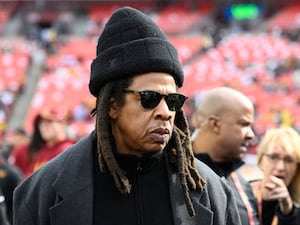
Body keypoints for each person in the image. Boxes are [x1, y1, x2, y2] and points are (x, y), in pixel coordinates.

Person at [13, 7, 242, 225]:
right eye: (149, 98)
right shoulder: (41, 193)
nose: (165, 112)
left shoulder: (215, 193)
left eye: (173, 101)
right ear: (112, 105)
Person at [191, 87, 260, 225]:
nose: (251, 135)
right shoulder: (174, 174)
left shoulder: (241, 184)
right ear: (215, 124)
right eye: (244, 124)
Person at [250, 127, 300, 225]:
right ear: (260, 161)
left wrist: (288, 211)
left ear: (297, 167)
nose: (280, 167)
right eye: (273, 157)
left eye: (289, 160)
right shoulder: (241, 195)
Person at [9, 108, 75, 178]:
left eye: (49, 122)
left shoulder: (66, 149)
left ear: (62, 124)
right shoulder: (42, 150)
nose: (44, 127)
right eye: (41, 123)